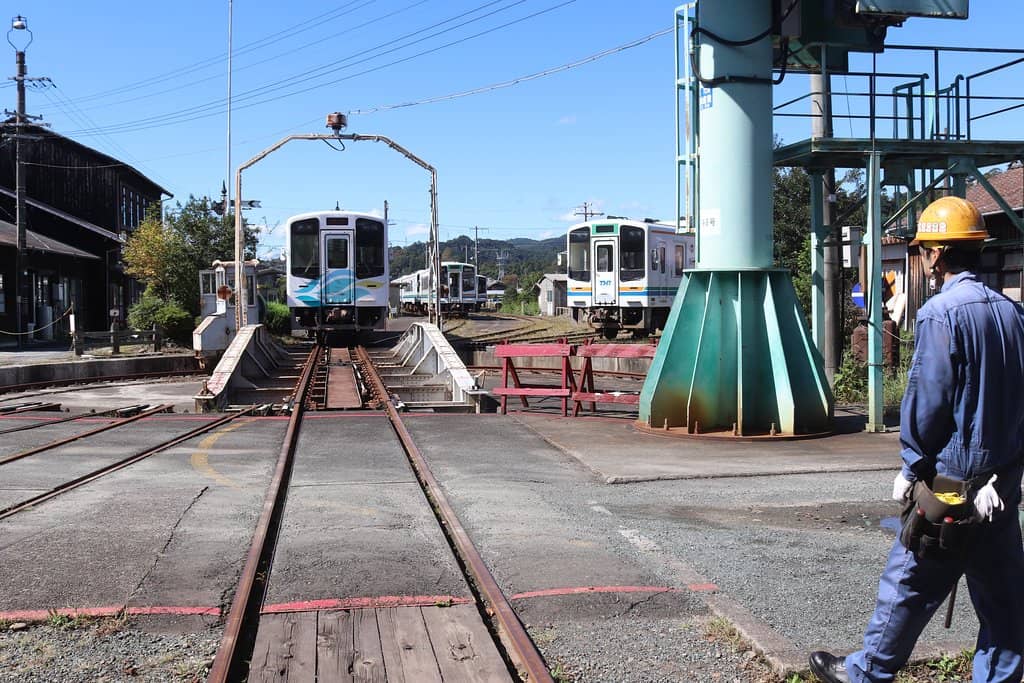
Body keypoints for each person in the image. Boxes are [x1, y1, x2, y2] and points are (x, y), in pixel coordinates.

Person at [809, 196, 1024, 683]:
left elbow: (929, 400)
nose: (925, 258)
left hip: (952, 476)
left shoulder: (940, 314)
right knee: (1004, 594)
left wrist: (914, 463)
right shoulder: (1012, 314)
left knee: (910, 577)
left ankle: (865, 673)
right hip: (1003, 479)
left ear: (939, 253)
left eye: (926, 249)